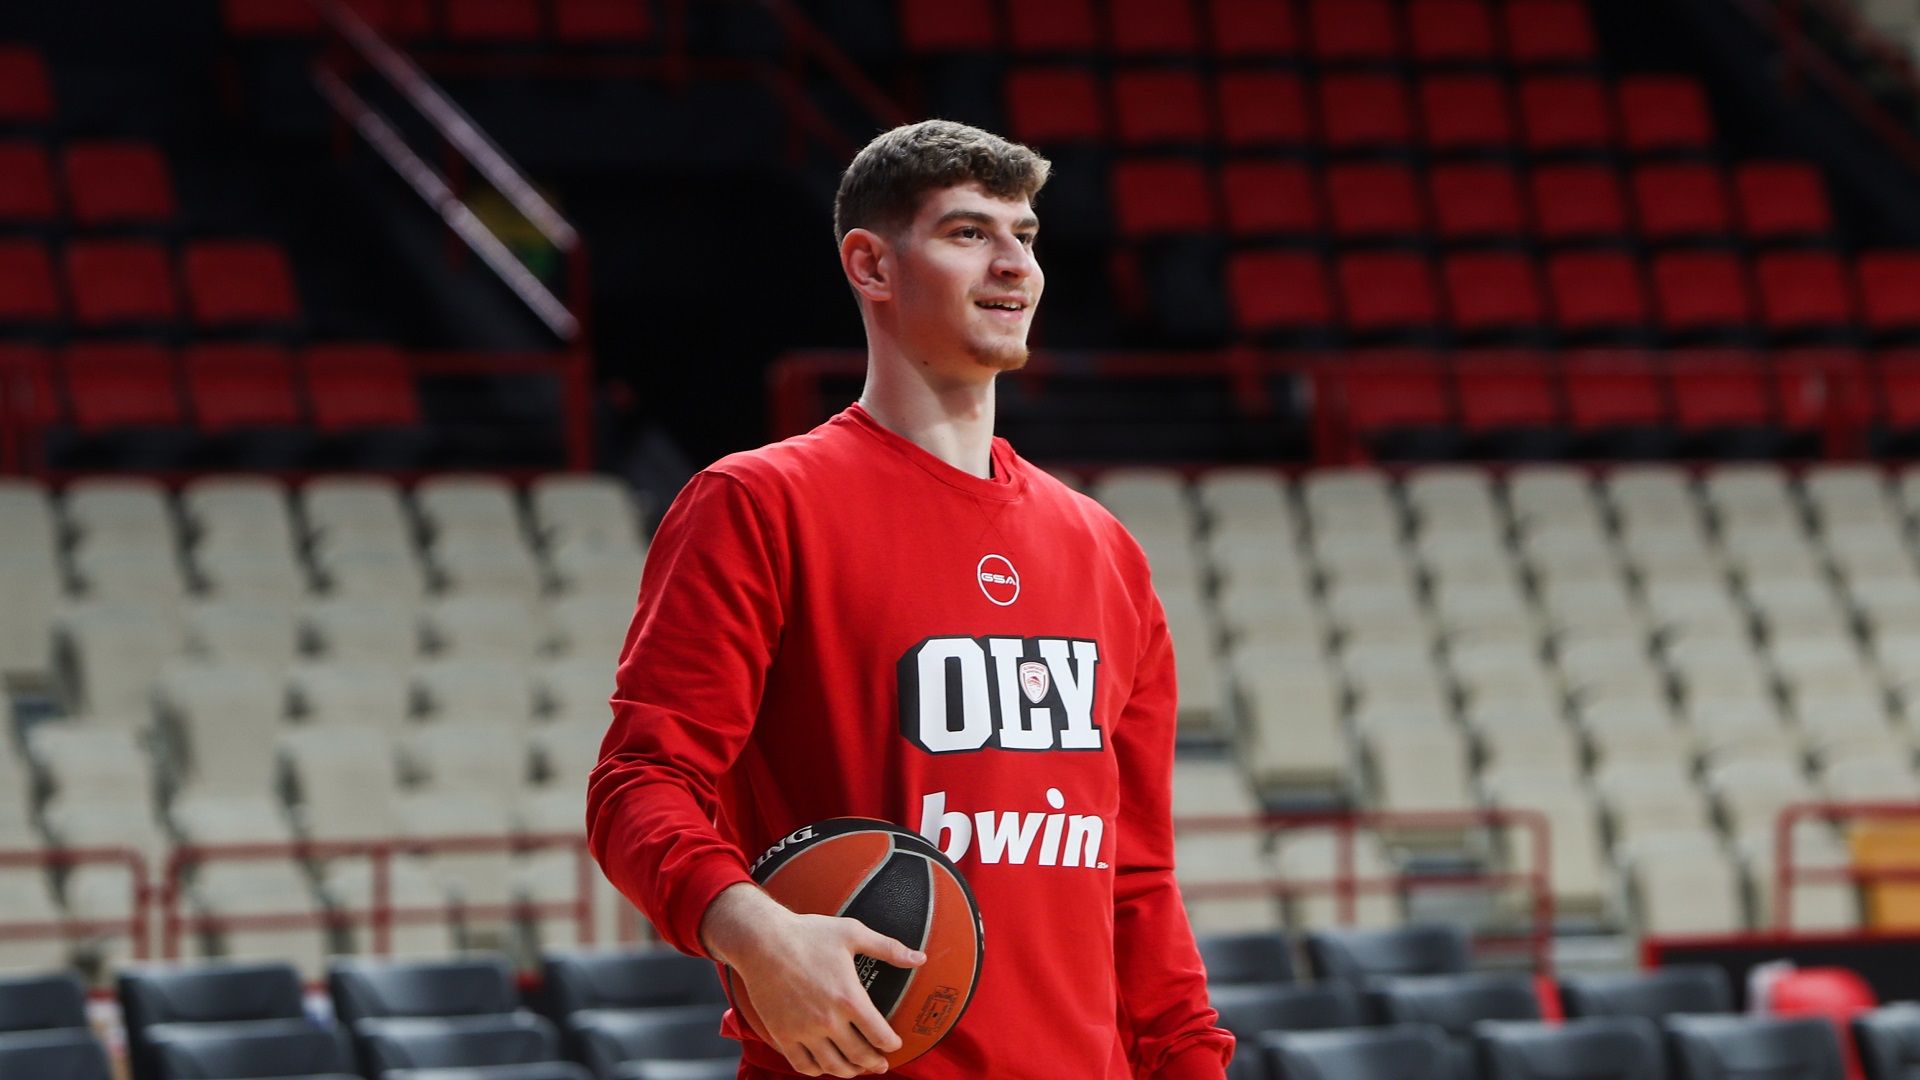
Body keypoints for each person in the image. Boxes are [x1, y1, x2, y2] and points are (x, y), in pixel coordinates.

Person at [587, 119, 1233, 1079]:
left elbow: (1135, 881)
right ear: (872, 265)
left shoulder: (1106, 553)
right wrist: (756, 932)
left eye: (1026, 236)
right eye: (970, 233)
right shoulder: (760, 504)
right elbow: (639, 785)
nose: (1015, 264)